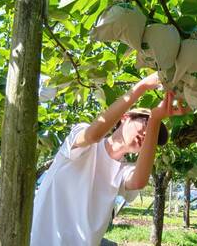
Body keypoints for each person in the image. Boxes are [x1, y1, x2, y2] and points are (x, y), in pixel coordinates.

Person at [31, 73, 188, 246]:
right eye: (145, 124)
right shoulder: (83, 138)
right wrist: (141, 87)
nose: (147, 134)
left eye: (152, 133)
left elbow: (138, 181)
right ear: (125, 117)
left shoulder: (123, 171)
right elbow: (93, 135)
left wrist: (156, 119)